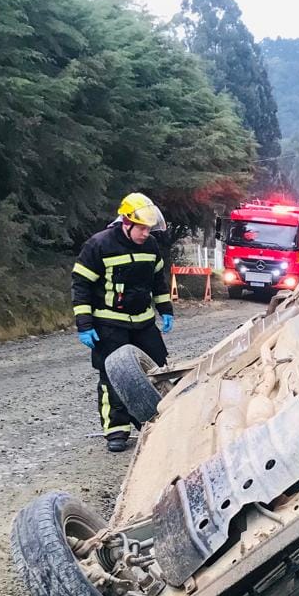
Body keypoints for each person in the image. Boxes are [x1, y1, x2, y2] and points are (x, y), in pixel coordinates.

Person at [72, 192, 174, 452]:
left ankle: (155, 421)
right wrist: (84, 325)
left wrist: (165, 309)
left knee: (158, 370)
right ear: (125, 223)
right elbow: (81, 286)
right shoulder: (99, 245)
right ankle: (116, 430)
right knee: (111, 376)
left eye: (148, 229)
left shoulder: (150, 247)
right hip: (110, 323)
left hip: (143, 322)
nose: (145, 234)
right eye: (141, 228)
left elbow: (158, 282)